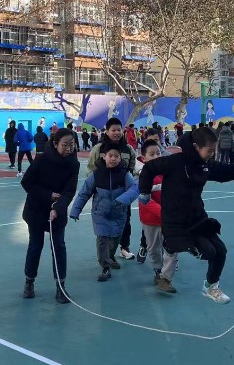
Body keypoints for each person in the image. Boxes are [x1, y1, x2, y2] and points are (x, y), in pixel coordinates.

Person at [138, 128, 234, 303]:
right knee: (208, 252)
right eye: (209, 151)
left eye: (214, 151)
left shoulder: (203, 165)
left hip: (197, 217)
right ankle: (172, 245)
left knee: (221, 251)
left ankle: (210, 287)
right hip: (176, 221)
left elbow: (224, 170)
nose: (212, 154)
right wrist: (145, 192)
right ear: (196, 147)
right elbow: (149, 168)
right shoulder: (174, 162)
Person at [21, 129, 80, 303]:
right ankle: (29, 282)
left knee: (59, 247)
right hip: (36, 209)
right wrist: (48, 196)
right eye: (65, 145)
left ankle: (61, 287)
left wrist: (57, 208)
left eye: (72, 145)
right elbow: (26, 183)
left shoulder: (74, 164)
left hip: (57, 211)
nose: (68, 149)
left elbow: (69, 191)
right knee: (35, 245)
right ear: (55, 144)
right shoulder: (41, 160)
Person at [70, 142, 141, 282]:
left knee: (114, 239)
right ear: (104, 157)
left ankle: (110, 257)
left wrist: (122, 200)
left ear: (120, 158)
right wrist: (75, 210)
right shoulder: (96, 175)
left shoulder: (125, 175)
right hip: (100, 214)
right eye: (110, 155)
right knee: (102, 239)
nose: (113, 159)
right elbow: (84, 193)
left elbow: (134, 188)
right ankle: (105, 267)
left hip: (119, 214)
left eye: (116, 156)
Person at [86, 118, 138, 260]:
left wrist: (129, 188)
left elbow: (132, 168)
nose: (116, 133)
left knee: (125, 221)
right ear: (107, 131)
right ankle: (107, 256)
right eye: (113, 130)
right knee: (104, 224)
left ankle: (124, 247)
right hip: (103, 196)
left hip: (123, 195)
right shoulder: (99, 149)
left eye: (119, 130)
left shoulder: (128, 149)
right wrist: (97, 187)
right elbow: (91, 169)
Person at [138, 139, 175, 293]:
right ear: (144, 157)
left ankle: (165, 278)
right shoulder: (143, 175)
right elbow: (145, 201)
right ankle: (157, 270)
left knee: (173, 246)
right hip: (151, 220)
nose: (156, 156)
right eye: (152, 154)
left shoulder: (168, 173)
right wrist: (163, 212)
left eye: (158, 153)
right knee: (153, 248)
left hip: (170, 219)